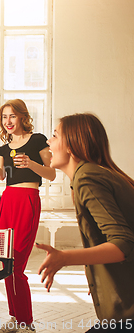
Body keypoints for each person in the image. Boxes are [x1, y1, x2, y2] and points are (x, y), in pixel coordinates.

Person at [37, 113, 134, 331]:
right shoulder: (94, 173)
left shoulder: (86, 177)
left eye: (54, 136)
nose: (48, 142)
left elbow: (123, 243)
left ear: (71, 145)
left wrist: (64, 257)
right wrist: (93, 268)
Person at [0, 99, 56, 333]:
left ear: (23, 117)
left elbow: (52, 173)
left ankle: (27, 323)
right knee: (6, 264)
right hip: (8, 202)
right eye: (4, 117)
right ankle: (15, 318)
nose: (8, 122)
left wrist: (31, 163)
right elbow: (1, 177)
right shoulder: (4, 149)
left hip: (27, 201)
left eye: (12, 116)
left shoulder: (38, 140)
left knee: (17, 267)